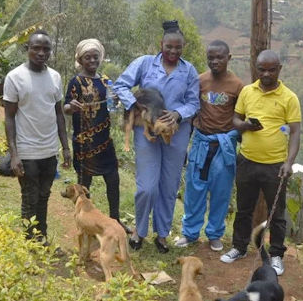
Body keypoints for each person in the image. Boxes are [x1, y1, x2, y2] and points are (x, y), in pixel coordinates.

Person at [113, 20, 200, 253]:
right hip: (147, 132)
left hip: (176, 134)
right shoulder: (144, 64)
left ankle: (162, 235)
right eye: (168, 47)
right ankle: (139, 231)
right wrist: (137, 107)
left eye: (178, 48)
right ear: (160, 44)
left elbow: (194, 102)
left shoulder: (189, 71)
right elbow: (121, 85)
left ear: (183, 47)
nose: (173, 52)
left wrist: (178, 114)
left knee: (168, 186)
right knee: (147, 187)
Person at [220, 49, 301, 276]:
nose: (266, 74)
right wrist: (246, 126)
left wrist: (289, 162)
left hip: (275, 165)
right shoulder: (247, 92)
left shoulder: (289, 98)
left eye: (271, 70)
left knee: (276, 213)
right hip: (247, 160)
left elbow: (295, 132)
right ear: (256, 69)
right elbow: (236, 120)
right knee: (244, 208)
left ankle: (276, 255)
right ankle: (239, 247)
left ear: (279, 70)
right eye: (262, 69)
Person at [3, 29, 71, 244]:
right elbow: (9, 118)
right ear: (27, 49)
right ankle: (29, 241)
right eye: (36, 48)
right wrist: (14, 155)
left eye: (46, 49)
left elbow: (59, 114)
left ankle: (40, 238)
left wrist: (66, 147)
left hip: (49, 151)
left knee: (44, 196)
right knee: (29, 198)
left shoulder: (55, 77)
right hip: (27, 151)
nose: (41, 53)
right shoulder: (15, 77)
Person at [175, 40, 243, 252]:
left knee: (221, 191)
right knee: (195, 189)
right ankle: (190, 233)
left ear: (228, 58)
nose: (215, 61)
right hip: (201, 142)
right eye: (211, 58)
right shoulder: (200, 81)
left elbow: (241, 117)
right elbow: (192, 111)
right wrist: (185, 145)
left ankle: (214, 234)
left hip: (224, 145)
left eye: (219, 57)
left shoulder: (237, 86)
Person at [63, 38, 131, 234]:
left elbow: (114, 105)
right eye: (87, 57)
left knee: (113, 180)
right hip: (84, 143)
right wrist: (72, 106)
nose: (92, 60)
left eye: (95, 57)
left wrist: (117, 100)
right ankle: (85, 223)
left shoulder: (105, 81)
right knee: (84, 185)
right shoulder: (75, 81)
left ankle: (115, 220)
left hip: (104, 141)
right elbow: (66, 107)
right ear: (80, 59)